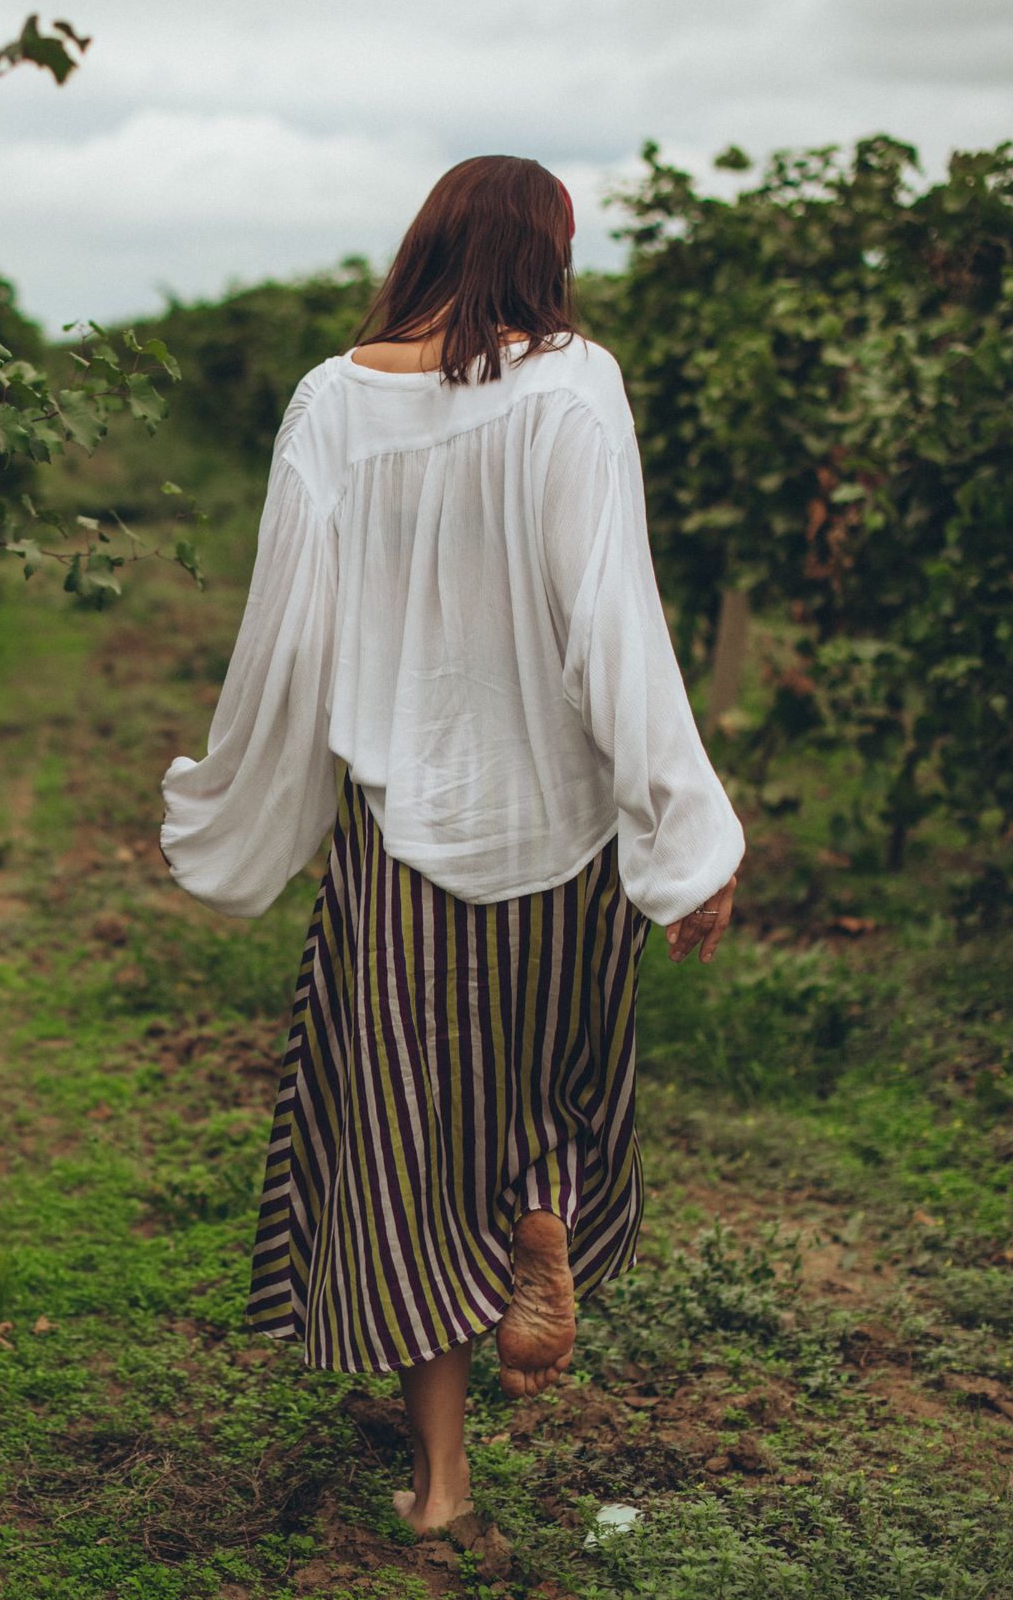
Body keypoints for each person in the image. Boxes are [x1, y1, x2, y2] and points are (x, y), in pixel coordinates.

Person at [154, 154, 744, 1540]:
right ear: (543, 251)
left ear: (428, 241)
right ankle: (538, 1209)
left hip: (397, 842)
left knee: (411, 1139)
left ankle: (441, 1485)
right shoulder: (572, 385)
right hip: (563, 831)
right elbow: (617, 624)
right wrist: (686, 834)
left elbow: (287, 628)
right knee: (549, 1083)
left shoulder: (328, 399)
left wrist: (238, 796)